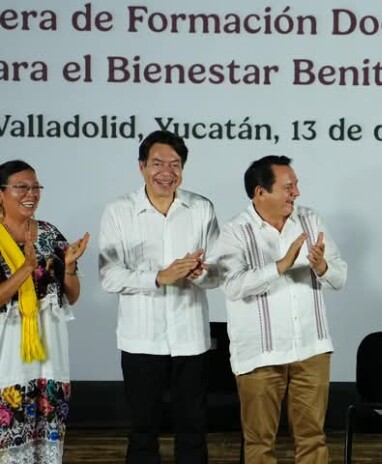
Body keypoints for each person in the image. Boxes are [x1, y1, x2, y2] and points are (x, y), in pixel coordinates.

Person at [211, 155, 347, 464]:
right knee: (259, 443)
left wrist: (322, 266)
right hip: (261, 355)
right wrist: (280, 266)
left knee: (313, 439)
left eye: (296, 185)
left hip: (311, 349)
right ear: (261, 192)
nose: (296, 193)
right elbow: (232, 284)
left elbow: (340, 277)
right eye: (288, 187)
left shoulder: (311, 220)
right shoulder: (235, 231)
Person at [98, 130, 219, 464]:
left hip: (190, 338)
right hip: (141, 339)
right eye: (158, 163)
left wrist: (201, 273)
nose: (167, 172)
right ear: (141, 167)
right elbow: (109, 275)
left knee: (193, 429)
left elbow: (219, 272)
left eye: (175, 164)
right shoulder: (119, 211)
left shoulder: (201, 208)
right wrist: (158, 277)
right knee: (142, 430)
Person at [0, 160, 89, 463]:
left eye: (36, 187)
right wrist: (25, 268)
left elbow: (72, 296)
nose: (31, 193)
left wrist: (71, 268)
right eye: (21, 187)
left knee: (47, 447)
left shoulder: (50, 234)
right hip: (7, 355)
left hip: (49, 355)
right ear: (1, 193)